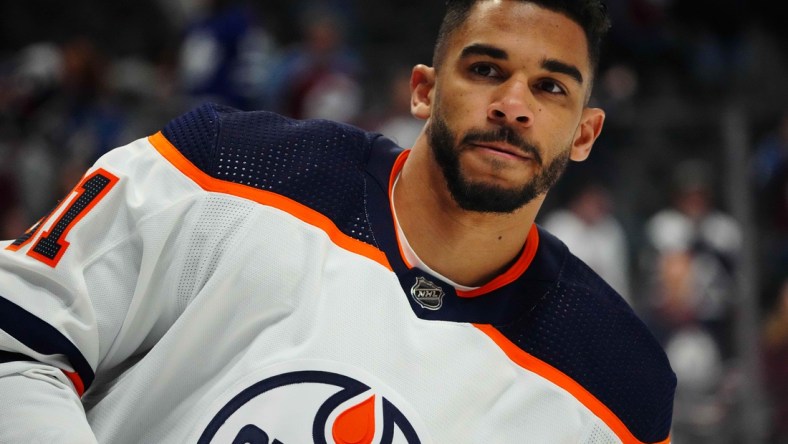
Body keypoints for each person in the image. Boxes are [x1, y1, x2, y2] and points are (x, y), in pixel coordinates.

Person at [0, 1, 676, 443]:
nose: (512, 105)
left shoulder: (618, 385)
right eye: (485, 69)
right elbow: (18, 346)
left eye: (550, 87)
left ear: (586, 134)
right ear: (424, 90)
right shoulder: (230, 167)